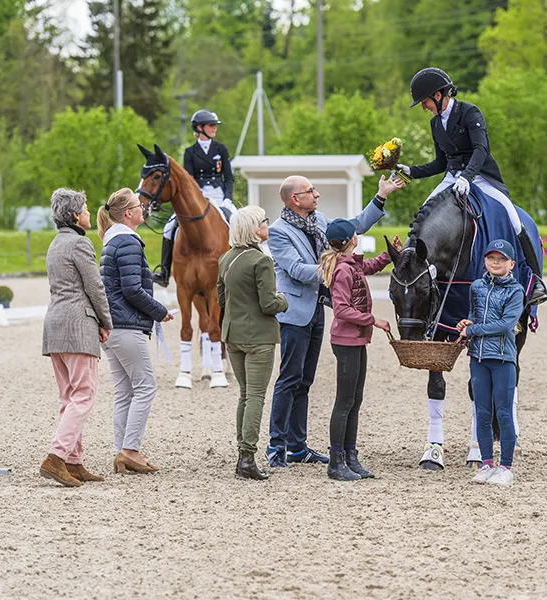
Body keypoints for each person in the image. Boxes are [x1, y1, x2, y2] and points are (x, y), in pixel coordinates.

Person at [266, 174, 404, 469]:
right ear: (295, 199)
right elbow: (296, 270)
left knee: (305, 380)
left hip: (316, 309)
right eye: (310, 190)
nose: (316, 194)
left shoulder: (318, 220)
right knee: (289, 379)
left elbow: (350, 229)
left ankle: (298, 447)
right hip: (295, 312)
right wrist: (338, 267)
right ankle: (276, 446)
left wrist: (381, 196)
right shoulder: (278, 232)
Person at [399, 67, 547, 306]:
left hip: (480, 176)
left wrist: (467, 178)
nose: (424, 107)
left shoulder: (469, 112)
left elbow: (481, 150)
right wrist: (411, 171)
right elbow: (440, 162)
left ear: (438, 95)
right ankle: (414, 272)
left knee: (513, 216)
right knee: (423, 215)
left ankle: (536, 281)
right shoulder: (436, 124)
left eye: (424, 101)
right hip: (452, 176)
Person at [98, 187, 175, 474]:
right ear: (128, 214)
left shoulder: (112, 241)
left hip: (113, 327)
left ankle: (122, 450)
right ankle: (130, 450)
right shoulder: (128, 242)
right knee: (145, 387)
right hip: (127, 325)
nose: (142, 208)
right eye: (137, 205)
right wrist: (159, 311)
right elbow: (132, 289)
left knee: (124, 391)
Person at [40, 188, 113, 488]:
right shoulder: (80, 245)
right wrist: (106, 321)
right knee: (84, 395)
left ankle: (73, 460)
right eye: (84, 208)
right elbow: (95, 287)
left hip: (54, 325)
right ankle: (56, 457)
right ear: (74, 215)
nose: (88, 213)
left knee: (69, 397)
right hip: (77, 325)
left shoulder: (55, 244)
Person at [319, 220, 401, 481]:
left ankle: (350, 456)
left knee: (354, 400)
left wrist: (389, 254)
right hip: (346, 341)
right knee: (344, 402)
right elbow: (341, 309)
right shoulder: (343, 271)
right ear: (351, 239)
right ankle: (336, 461)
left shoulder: (350, 265)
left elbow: (370, 266)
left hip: (355, 340)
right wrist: (373, 320)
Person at [217, 205, 289, 481]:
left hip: (232, 335)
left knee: (245, 395)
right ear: (253, 229)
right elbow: (269, 304)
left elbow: (222, 300)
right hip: (259, 337)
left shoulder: (226, 259)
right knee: (256, 396)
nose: (267, 225)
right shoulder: (261, 261)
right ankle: (247, 457)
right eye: (263, 221)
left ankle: (242, 454)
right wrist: (283, 300)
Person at [456, 240, 524, 486]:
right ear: (485, 260)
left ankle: (506, 467)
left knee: (504, 414)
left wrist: (474, 330)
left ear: (511, 264)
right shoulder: (476, 287)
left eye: (501, 259)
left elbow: (506, 325)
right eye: (491, 258)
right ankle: (487, 464)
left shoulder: (516, 291)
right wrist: (467, 324)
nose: (495, 262)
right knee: (482, 413)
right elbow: (475, 316)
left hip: (503, 358)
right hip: (478, 358)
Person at [153, 108, 235, 287]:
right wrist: (195, 199)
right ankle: (164, 272)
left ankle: (241, 268)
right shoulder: (190, 152)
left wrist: (228, 198)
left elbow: (228, 177)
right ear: (199, 128)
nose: (214, 128)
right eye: (211, 125)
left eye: (215, 125)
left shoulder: (221, 149)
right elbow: (188, 180)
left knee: (238, 222)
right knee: (169, 227)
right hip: (199, 197)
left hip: (220, 197)